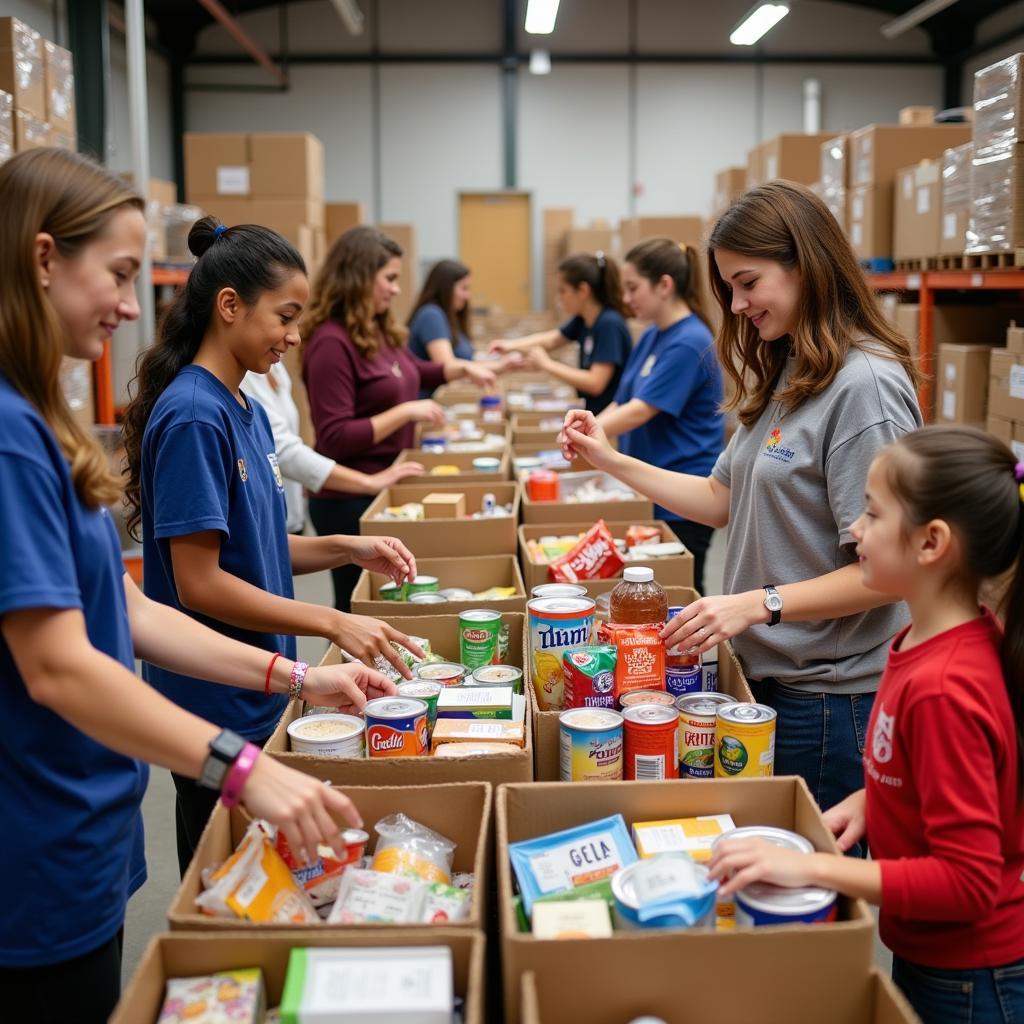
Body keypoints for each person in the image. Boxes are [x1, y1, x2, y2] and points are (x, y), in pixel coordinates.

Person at [0, 148, 391, 1024]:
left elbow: (129, 606)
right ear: (42, 260)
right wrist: (238, 763)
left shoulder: (45, 422)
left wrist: (302, 673)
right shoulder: (21, 438)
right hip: (41, 847)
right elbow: (64, 661)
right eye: (121, 274)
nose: (133, 305)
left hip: (89, 837)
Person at [560, 182, 923, 828]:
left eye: (748, 282)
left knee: (803, 884)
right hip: (766, 680)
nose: (736, 304)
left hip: (828, 699)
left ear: (805, 264)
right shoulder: (792, 370)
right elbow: (717, 498)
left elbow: (887, 572)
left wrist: (757, 603)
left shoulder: (863, 388)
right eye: (728, 287)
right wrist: (609, 459)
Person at [122, 216, 423, 874]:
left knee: (271, 875)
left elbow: (257, 546)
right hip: (214, 698)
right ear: (229, 306)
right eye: (285, 317)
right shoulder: (195, 415)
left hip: (259, 689)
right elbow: (199, 583)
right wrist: (331, 618)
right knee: (227, 877)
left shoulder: (245, 406)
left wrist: (346, 548)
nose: (293, 336)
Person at [709, 426, 1024, 1024]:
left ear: (931, 543)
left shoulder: (945, 687)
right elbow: (943, 776)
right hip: (935, 956)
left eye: (873, 514)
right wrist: (873, 800)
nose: (853, 529)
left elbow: (969, 881)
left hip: (973, 979)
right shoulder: (923, 639)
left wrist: (812, 867)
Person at [301, 226, 495, 612]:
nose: (395, 290)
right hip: (348, 498)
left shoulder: (376, 329)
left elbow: (415, 372)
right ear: (357, 278)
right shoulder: (330, 343)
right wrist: (406, 411)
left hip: (385, 485)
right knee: (355, 607)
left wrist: (463, 371)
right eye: (388, 279)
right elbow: (335, 435)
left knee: (388, 602)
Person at [600, 239, 725, 593]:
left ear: (665, 285)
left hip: (682, 494)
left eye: (633, 288)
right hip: (653, 487)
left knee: (679, 591)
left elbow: (641, 411)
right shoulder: (653, 333)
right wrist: (589, 425)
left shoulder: (689, 342)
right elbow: (625, 400)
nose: (626, 298)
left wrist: (586, 437)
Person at [240, 361, 426, 534]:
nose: (294, 338)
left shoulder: (273, 365)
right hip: (337, 500)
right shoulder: (243, 377)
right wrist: (368, 482)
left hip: (286, 513)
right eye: (284, 323)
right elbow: (281, 447)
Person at [488, 251, 632, 415]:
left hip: (610, 419)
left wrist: (547, 364)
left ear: (583, 290)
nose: (559, 299)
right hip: (595, 412)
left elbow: (595, 383)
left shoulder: (609, 324)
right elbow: (551, 340)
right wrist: (509, 346)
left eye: (563, 291)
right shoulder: (583, 319)